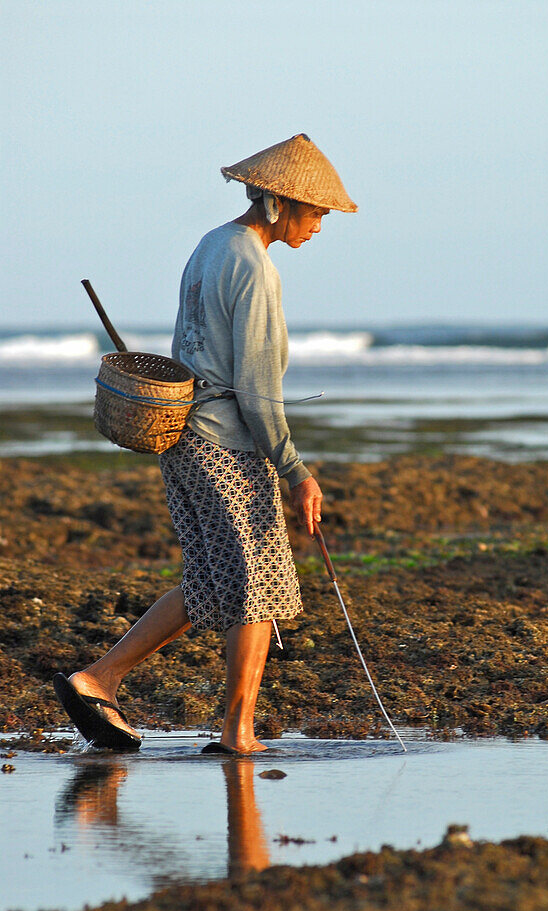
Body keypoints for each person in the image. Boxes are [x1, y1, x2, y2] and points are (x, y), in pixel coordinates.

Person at [54, 134, 357, 755]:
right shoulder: (254, 267)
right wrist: (296, 469)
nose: (320, 227)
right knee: (259, 583)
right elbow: (258, 389)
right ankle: (237, 731)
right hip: (227, 448)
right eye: (316, 212)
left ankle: (99, 678)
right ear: (278, 202)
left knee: (212, 583)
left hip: (184, 439)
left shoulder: (210, 245)